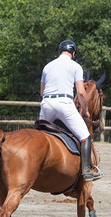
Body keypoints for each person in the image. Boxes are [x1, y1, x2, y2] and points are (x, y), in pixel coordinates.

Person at [39, 40, 102, 182]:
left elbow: (42, 92)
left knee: (39, 135)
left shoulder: (47, 67)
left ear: (59, 52)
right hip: (64, 104)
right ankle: (86, 171)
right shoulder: (75, 66)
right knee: (85, 135)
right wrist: (85, 110)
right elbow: (80, 93)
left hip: (47, 104)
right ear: (73, 53)